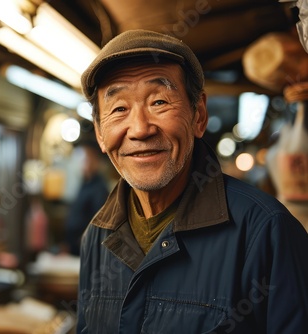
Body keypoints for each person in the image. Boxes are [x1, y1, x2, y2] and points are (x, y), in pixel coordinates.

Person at [76, 29, 308, 333]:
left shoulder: (266, 231)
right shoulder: (96, 237)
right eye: (119, 109)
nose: (140, 129)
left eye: (158, 102)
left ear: (198, 115)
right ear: (100, 133)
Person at [64, 140, 110, 256]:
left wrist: (86, 240)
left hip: (86, 246)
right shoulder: (84, 184)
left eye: (86, 160)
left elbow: (99, 219)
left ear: (96, 161)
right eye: (81, 161)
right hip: (73, 245)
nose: (82, 164)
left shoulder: (99, 188)